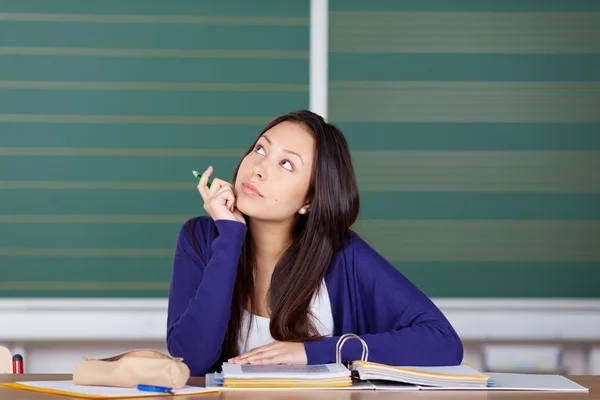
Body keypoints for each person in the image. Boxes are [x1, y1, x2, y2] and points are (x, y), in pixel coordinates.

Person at [166, 110, 463, 376]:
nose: (258, 168)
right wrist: (229, 236)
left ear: (310, 198)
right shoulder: (201, 238)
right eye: (260, 149)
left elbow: (444, 343)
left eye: (286, 163)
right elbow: (191, 360)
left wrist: (314, 352)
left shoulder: (343, 254)